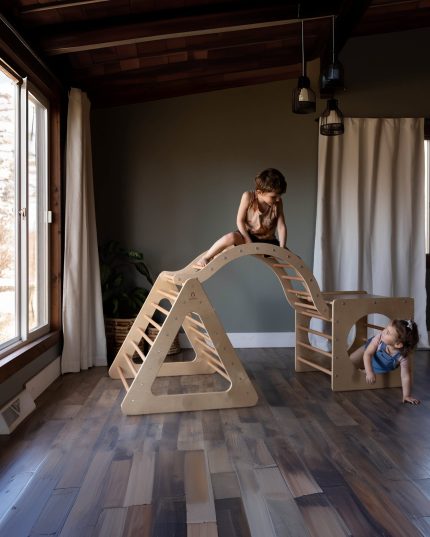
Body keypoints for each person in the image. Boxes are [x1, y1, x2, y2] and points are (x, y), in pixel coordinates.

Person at [196, 168, 287, 267]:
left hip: (268, 240)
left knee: (291, 257)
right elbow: (240, 221)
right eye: (274, 196)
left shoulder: (277, 203)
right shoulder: (248, 197)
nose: (278, 199)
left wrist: (282, 247)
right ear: (260, 192)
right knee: (230, 237)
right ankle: (206, 257)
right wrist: (247, 239)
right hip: (247, 236)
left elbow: (281, 226)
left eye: (280, 195)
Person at [349, 319, 420, 404]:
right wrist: (369, 372)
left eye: (388, 332)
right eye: (386, 328)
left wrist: (407, 395)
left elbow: (406, 376)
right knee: (351, 361)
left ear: (398, 344)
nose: (383, 331)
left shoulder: (402, 357)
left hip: (378, 367)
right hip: (367, 351)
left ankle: (365, 369)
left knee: (365, 375)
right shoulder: (379, 337)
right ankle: (364, 367)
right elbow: (367, 354)